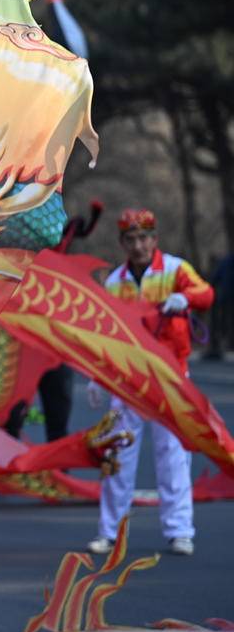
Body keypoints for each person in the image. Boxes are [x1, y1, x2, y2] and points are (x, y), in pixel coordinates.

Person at [85, 208, 214, 556]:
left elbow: (206, 293)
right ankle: (109, 532)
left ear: (154, 240)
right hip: (129, 379)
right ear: (123, 243)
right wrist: (98, 377)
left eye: (144, 238)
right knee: (118, 453)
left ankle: (180, 531)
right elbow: (104, 332)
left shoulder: (174, 269)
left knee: (173, 456)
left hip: (170, 377)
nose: (138, 245)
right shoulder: (115, 281)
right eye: (131, 239)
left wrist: (184, 297)